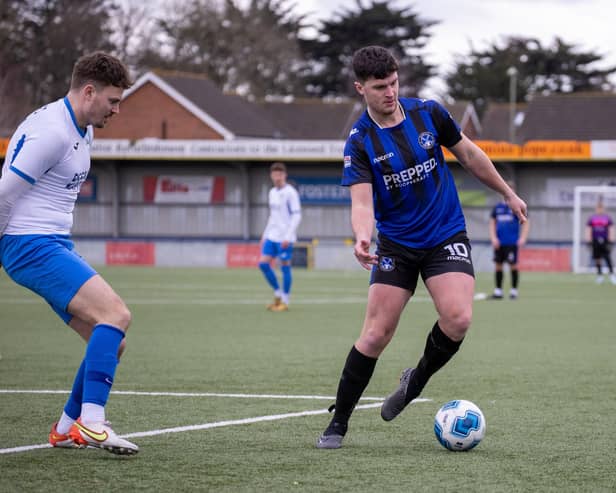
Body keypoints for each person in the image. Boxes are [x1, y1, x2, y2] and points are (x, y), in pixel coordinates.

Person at [316, 46, 527, 449]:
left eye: (394, 83)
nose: (390, 92)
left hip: (445, 233)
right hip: (396, 243)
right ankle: (339, 422)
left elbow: (468, 154)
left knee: (458, 318)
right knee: (376, 334)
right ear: (361, 88)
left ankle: (415, 381)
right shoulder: (360, 143)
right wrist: (362, 236)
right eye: (380, 87)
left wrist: (507, 193)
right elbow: (361, 202)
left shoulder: (428, 112)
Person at [0, 52, 138, 454]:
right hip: (30, 244)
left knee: (111, 339)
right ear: (89, 91)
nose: (118, 108)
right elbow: (5, 193)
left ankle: (65, 429)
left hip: (50, 242)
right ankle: (92, 422)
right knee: (116, 315)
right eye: (112, 100)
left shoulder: (81, 125)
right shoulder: (53, 132)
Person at [258, 162, 302, 312]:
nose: (277, 177)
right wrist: (265, 234)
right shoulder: (272, 192)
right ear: (271, 176)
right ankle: (277, 293)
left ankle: (285, 300)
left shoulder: (290, 193)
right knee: (263, 264)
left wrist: (288, 236)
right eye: (274, 174)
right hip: (272, 236)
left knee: (285, 267)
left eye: (279, 174)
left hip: (285, 238)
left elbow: (297, 215)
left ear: (284, 175)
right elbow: (273, 216)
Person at [489, 181, 530, 299]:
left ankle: (513, 291)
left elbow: (526, 222)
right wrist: (493, 238)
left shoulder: (516, 206)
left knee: (513, 265)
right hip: (499, 242)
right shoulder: (497, 208)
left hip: (512, 242)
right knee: (498, 265)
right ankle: (498, 291)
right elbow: (492, 223)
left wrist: (523, 238)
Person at [586, 199, 615, 284]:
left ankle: (612, 275)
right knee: (597, 259)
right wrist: (589, 241)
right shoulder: (592, 218)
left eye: (601, 208)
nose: (599, 210)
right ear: (596, 209)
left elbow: (611, 229)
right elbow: (588, 230)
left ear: (603, 209)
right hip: (595, 241)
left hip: (605, 241)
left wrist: (611, 241)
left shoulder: (607, 218)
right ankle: (600, 275)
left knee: (608, 258)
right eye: (598, 208)